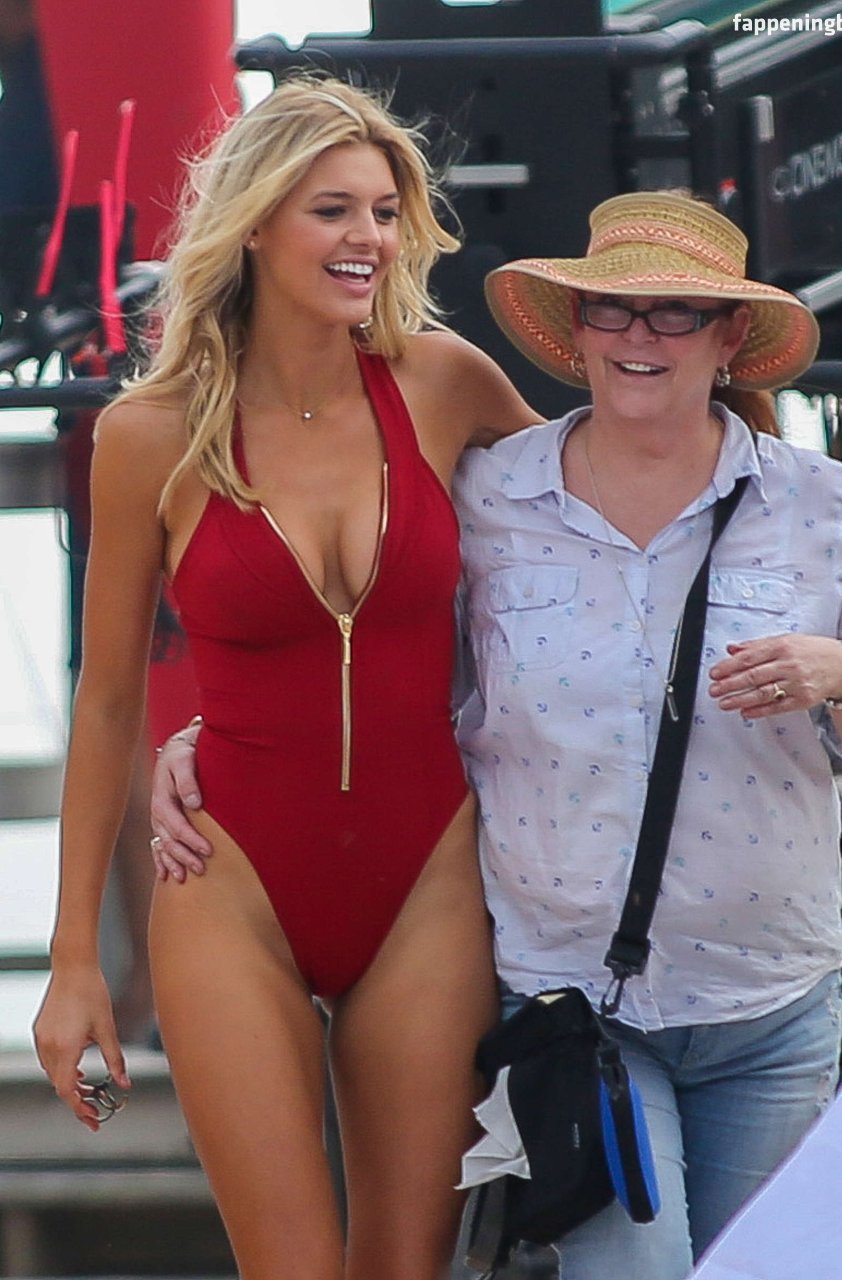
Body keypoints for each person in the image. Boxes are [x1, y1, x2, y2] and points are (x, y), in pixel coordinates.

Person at [150, 190, 842, 1278]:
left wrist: (838, 673)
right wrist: (208, 736)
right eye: (612, 310)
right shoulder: (490, 497)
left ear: (725, 341)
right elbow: (369, 651)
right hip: (573, 1001)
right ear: (578, 333)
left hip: (769, 1002)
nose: (638, 335)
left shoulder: (815, 500)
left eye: (673, 312)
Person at [32, 75, 537, 1280]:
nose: (369, 238)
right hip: (229, 878)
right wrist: (71, 961)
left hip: (426, 873)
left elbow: (609, 530)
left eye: (384, 212)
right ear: (255, 223)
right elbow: (106, 699)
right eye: (332, 210)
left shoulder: (442, 381)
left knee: (404, 1267)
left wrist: (819, 537)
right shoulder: (148, 434)